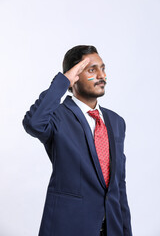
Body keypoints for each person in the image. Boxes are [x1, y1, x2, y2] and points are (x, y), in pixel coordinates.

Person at [22, 45, 132, 236]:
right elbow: (33, 123)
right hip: (70, 226)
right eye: (91, 69)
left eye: (103, 68)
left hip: (110, 229)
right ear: (74, 78)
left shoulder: (116, 122)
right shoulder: (57, 117)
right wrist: (63, 81)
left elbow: (118, 184)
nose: (101, 75)